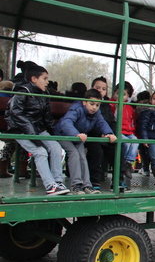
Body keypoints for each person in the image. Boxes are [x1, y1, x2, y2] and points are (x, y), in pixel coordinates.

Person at [5, 63, 69, 195]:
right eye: (44, 78)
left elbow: (46, 117)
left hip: (38, 129)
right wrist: (33, 134)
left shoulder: (43, 94)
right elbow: (16, 113)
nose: (47, 82)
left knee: (56, 148)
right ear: (34, 79)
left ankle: (58, 181)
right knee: (40, 152)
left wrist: (55, 134)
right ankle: (50, 185)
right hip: (20, 130)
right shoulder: (22, 92)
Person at [54, 89, 116, 194]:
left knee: (82, 156)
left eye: (97, 105)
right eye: (92, 104)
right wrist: (75, 134)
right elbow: (66, 122)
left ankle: (87, 185)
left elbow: (102, 123)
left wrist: (109, 133)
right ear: (84, 102)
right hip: (64, 135)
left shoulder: (96, 113)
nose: (94, 107)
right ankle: (76, 185)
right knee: (74, 153)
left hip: (77, 137)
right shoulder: (77, 109)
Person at [85, 76, 128, 191]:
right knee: (96, 152)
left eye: (103, 89)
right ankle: (94, 181)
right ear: (92, 88)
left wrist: (113, 134)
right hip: (92, 136)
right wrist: (100, 134)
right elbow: (88, 123)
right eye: (97, 88)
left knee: (118, 149)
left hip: (107, 136)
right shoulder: (87, 104)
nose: (100, 91)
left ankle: (118, 181)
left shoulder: (106, 104)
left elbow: (111, 121)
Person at [110, 81, 138, 178]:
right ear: (114, 93)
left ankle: (128, 163)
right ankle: (124, 162)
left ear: (128, 96)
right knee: (126, 142)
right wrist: (118, 107)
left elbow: (132, 119)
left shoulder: (130, 107)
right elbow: (114, 118)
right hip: (118, 131)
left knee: (135, 141)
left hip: (128, 131)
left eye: (124, 94)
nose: (120, 96)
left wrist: (133, 130)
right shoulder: (111, 105)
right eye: (118, 93)